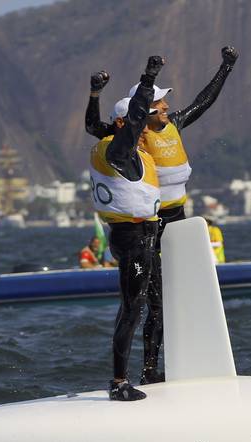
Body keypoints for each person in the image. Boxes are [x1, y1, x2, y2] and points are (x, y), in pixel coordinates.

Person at [85, 46, 239, 385]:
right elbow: (94, 125)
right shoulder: (124, 142)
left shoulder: (172, 125)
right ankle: (134, 375)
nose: (166, 107)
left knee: (170, 301)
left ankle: (165, 366)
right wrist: (100, 93)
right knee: (146, 301)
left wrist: (225, 68)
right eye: (157, 104)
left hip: (174, 221)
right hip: (144, 228)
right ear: (136, 117)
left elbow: (204, 101)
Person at [89, 55, 165, 401]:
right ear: (124, 125)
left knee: (151, 304)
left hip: (145, 235)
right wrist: (147, 79)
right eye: (139, 123)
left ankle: (150, 370)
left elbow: (95, 125)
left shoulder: (125, 147)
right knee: (132, 308)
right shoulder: (115, 152)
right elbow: (131, 121)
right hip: (131, 238)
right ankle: (119, 382)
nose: (144, 127)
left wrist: (94, 95)